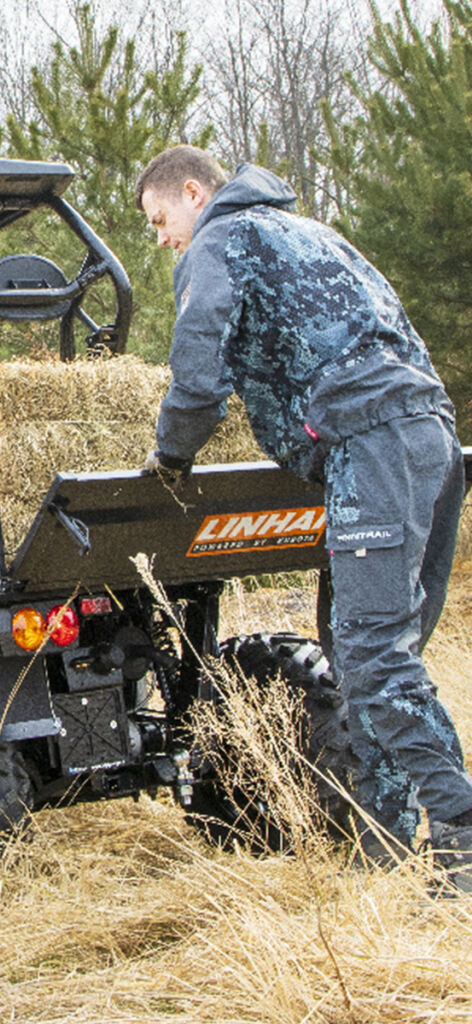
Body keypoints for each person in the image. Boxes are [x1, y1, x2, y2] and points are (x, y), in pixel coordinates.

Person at [135, 144, 472, 888]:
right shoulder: (312, 233)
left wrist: (170, 459)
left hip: (372, 445)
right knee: (370, 657)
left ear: (194, 193)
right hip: (431, 440)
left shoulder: (221, 239)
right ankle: (380, 850)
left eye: (161, 220)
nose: (163, 238)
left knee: (374, 658)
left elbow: (198, 370)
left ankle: (463, 841)